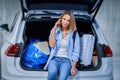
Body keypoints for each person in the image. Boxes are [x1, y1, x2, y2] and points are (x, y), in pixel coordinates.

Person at [44, 10, 80, 80]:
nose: (65, 22)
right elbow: (51, 45)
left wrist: (73, 67)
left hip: (66, 60)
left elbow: (76, 52)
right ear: (60, 19)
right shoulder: (55, 30)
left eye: (68, 20)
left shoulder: (74, 34)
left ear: (71, 22)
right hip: (55, 59)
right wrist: (54, 29)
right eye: (64, 19)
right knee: (52, 72)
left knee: (62, 78)